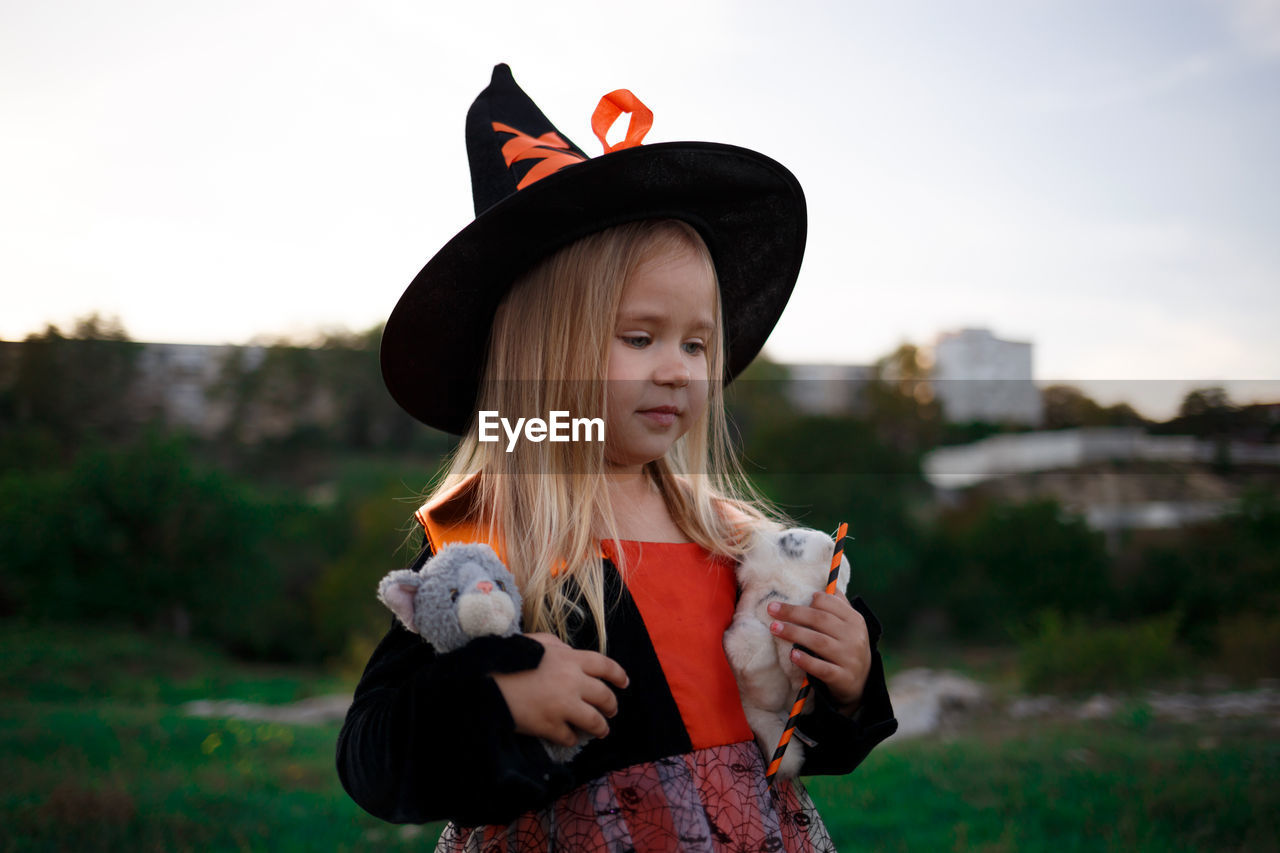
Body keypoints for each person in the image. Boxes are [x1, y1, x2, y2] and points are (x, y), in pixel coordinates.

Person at [337, 64, 898, 852]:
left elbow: (810, 742)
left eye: (696, 343)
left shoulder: (735, 541)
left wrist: (847, 673)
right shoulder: (490, 543)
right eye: (640, 337)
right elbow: (373, 753)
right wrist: (496, 699)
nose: (678, 367)